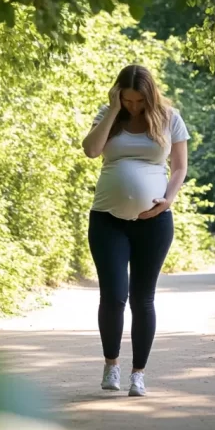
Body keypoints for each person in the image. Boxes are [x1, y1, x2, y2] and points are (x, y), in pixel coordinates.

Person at [80, 64, 190, 397]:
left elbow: (180, 167)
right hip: (107, 219)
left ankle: (138, 373)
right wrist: (113, 110)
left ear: (150, 95)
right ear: (118, 95)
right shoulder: (110, 114)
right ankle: (111, 364)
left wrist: (168, 200)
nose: (133, 106)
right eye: (126, 100)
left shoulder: (169, 117)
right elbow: (91, 150)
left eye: (138, 101)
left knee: (143, 299)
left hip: (154, 223)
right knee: (113, 296)